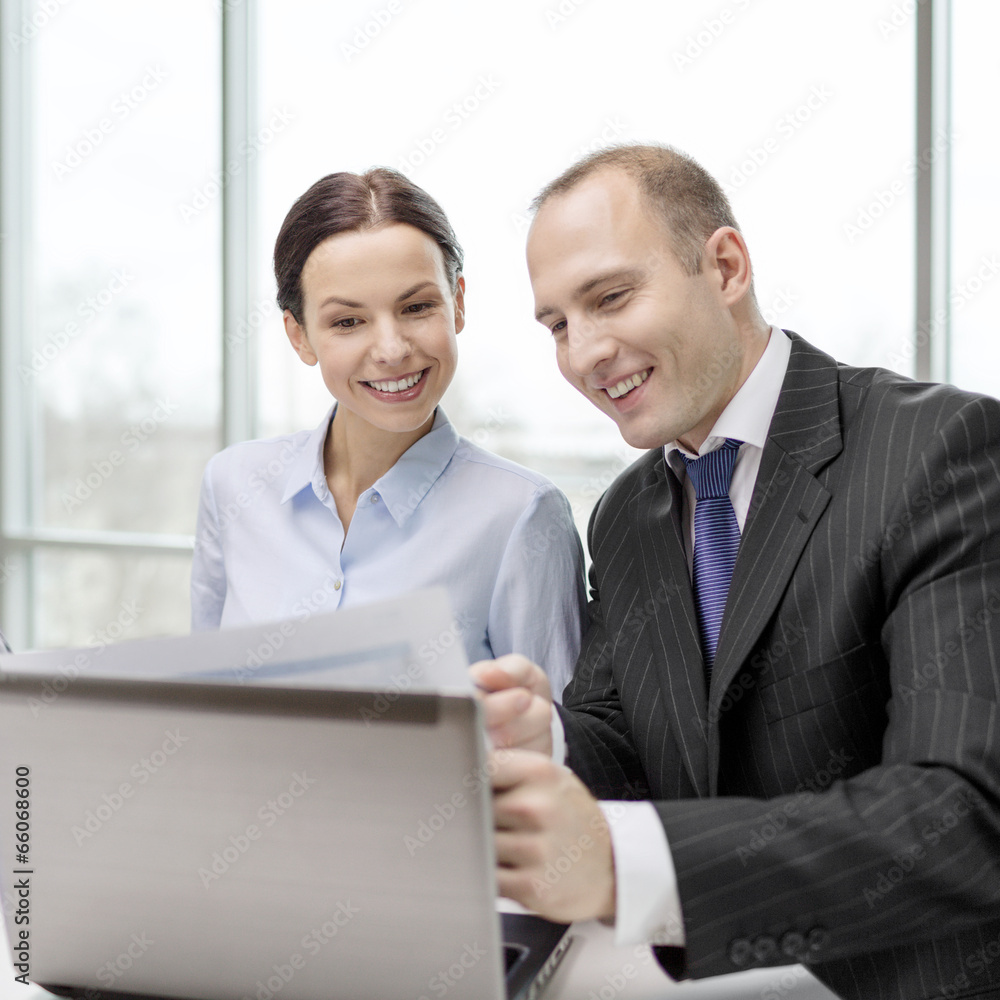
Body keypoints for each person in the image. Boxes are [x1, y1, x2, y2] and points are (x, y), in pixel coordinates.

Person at [473, 144, 1000, 1000]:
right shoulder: (627, 514)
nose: (584, 354)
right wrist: (551, 742)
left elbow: (964, 812)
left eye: (610, 298)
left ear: (724, 267)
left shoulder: (940, 453)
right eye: (558, 325)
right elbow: (630, 740)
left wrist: (618, 860)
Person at [191, 168, 585, 695]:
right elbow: (206, 707)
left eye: (417, 307)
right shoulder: (233, 485)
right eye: (347, 322)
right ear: (299, 335)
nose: (393, 349)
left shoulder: (522, 515)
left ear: (458, 304)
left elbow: (556, 742)